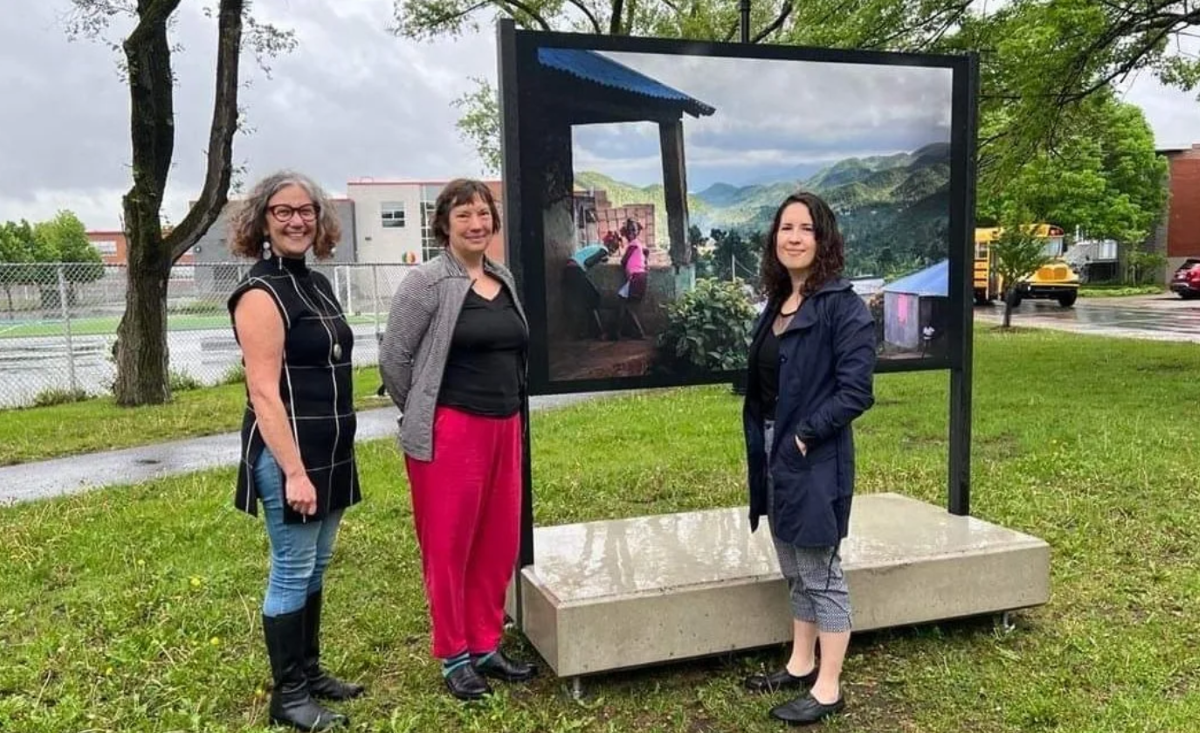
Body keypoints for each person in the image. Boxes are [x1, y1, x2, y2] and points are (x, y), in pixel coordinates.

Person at [379, 178, 538, 701]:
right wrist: (426, 411)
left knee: (497, 541)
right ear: (443, 223)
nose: (477, 223)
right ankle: (454, 654)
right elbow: (394, 360)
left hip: (504, 425)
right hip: (452, 433)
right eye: (464, 214)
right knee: (450, 547)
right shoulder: (426, 282)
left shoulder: (503, 277)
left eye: (483, 213)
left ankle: (486, 642)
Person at [226, 171, 364, 731]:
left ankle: (309, 672)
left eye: (305, 210)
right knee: (291, 568)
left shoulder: (316, 283)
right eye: (282, 212)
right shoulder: (260, 294)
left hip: (331, 447)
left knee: (316, 563)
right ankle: (288, 697)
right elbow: (262, 390)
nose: (296, 221)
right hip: (291, 454)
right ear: (262, 221)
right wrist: (294, 472)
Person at [740, 191, 876, 725]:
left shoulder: (842, 307)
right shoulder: (778, 304)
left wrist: (803, 436)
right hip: (773, 449)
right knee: (793, 567)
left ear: (823, 240)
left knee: (821, 571)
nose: (792, 237)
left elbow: (855, 391)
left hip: (814, 454)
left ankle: (828, 686)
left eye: (805, 229)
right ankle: (800, 662)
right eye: (785, 228)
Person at [608, 218, 647, 340]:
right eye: (630, 230)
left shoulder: (634, 244)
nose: (632, 233)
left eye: (634, 230)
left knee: (623, 303)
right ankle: (632, 332)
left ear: (637, 232)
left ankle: (619, 333)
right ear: (626, 233)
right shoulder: (638, 244)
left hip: (636, 277)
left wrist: (626, 267)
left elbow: (623, 260)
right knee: (627, 306)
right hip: (639, 277)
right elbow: (646, 253)